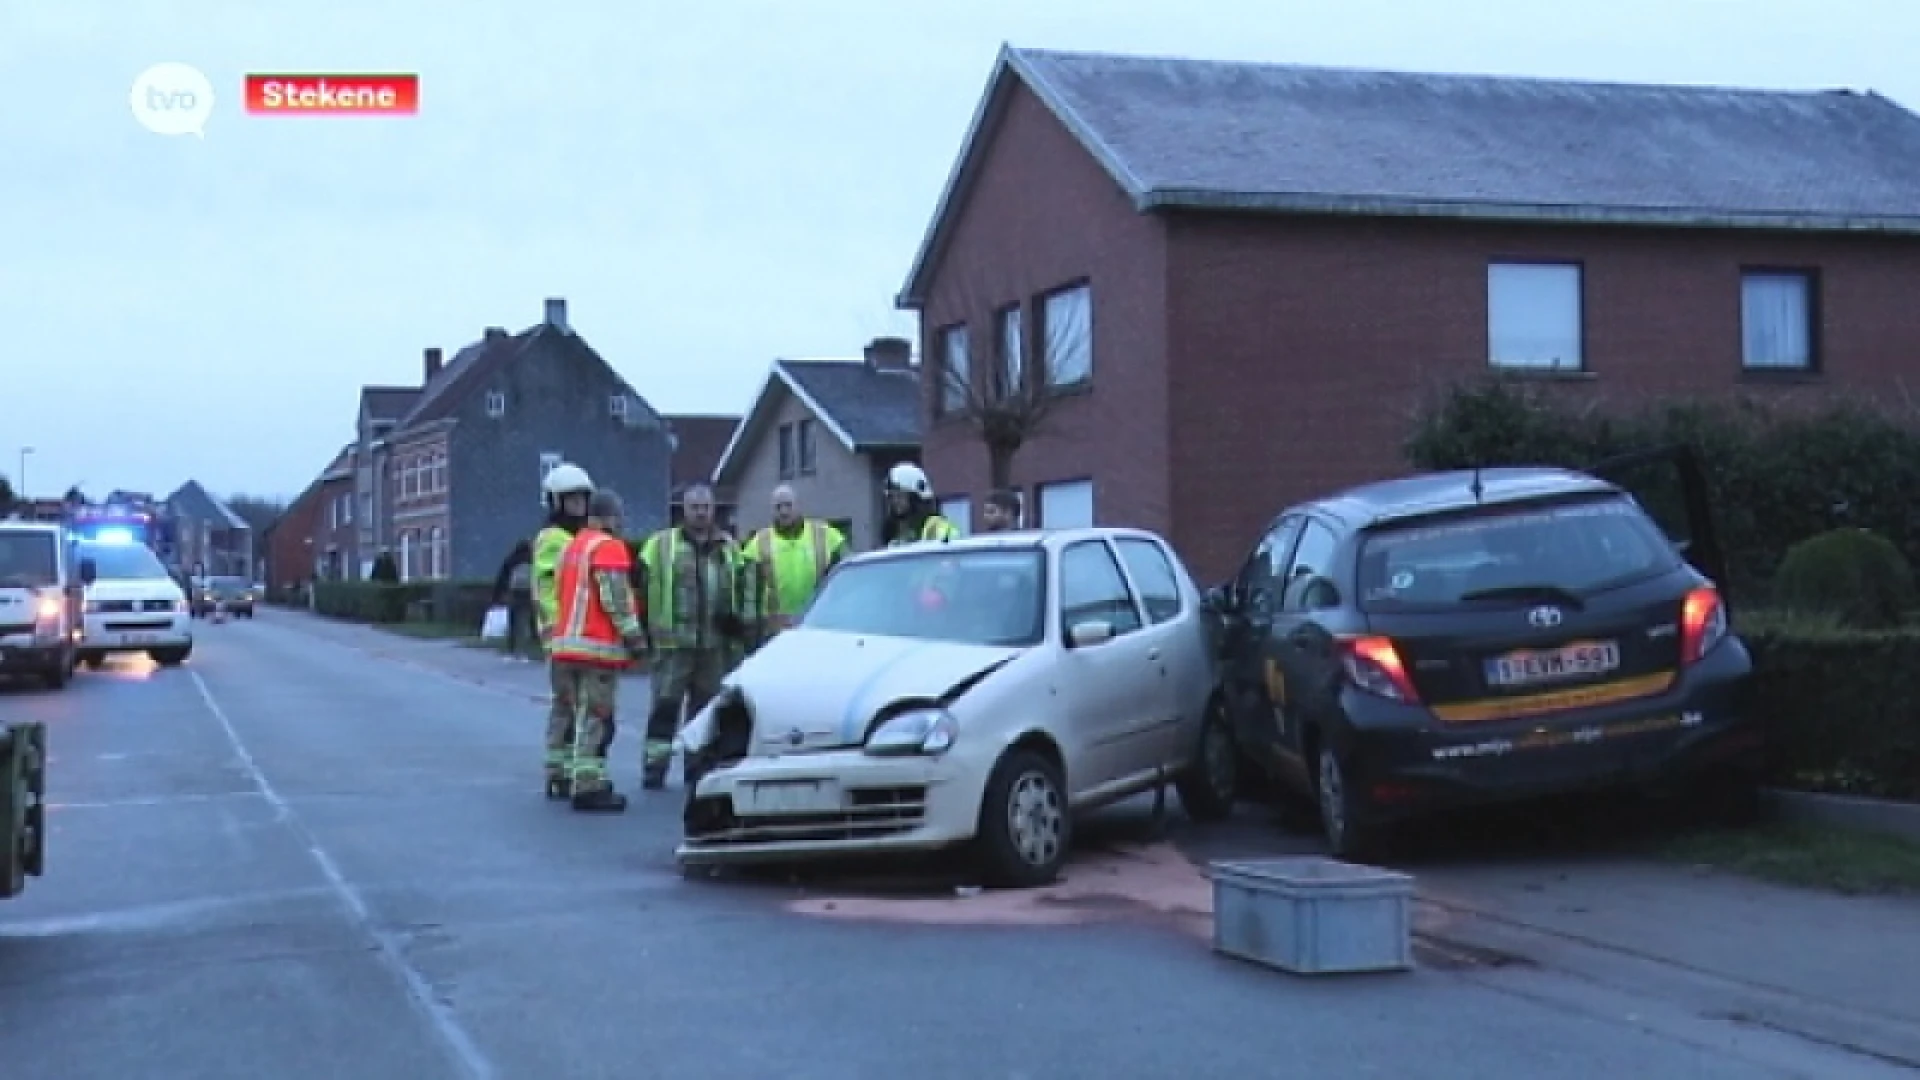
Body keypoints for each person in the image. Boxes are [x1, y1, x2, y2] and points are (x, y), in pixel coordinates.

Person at [636, 483, 755, 789]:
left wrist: (737, 621)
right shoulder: (661, 545)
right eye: (694, 507)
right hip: (672, 645)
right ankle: (654, 768)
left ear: (713, 510)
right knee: (664, 708)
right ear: (684, 510)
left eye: (706, 507)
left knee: (704, 714)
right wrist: (643, 632)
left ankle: (697, 769)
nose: (701, 513)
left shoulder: (729, 548)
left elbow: (743, 587)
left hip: (713, 646)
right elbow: (641, 588)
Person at [548, 490, 648, 812]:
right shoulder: (609, 547)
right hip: (596, 649)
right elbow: (615, 597)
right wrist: (635, 638)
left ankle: (560, 774)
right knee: (597, 717)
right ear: (609, 518)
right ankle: (588, 786)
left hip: (564, 646)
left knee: (570, 713)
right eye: (619, 518)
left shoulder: (571, 547)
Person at [534, 462, 596, 799]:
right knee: (566, 705)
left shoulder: (579, 538)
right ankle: (558, 771)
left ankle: (566, 769)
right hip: (563, 638)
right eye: (571, 501)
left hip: (581, 637)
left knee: (577, 706)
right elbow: (546, 589)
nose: (579, 507)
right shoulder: (553, 540)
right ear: (556, 503)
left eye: (582, 500)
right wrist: (557, 628)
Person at [743, 483, 847, 640]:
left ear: (798, 506)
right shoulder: (759, 542)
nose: (784, 511)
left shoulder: (824, 533)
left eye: (788, 505)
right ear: (772, 510)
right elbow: (748, 590)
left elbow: (847, 571)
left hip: (817, 623)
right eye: (779, 507)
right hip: (776, 631)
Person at [880, 463, 961, 547]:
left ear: (916, 498)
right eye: (891, 496)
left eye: (900, 495)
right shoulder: (896, 536)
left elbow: (952, 549)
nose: (894, 501)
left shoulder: (938, 527)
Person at [490, 539, 537, 660]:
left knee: (513, 623)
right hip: (529, 593)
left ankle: (512, 650)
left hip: (514, 594)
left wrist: (497, 597)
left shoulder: (511, 560)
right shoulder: (533, 560)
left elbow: (502, 578)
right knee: (527, 622)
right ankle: (524, 651)